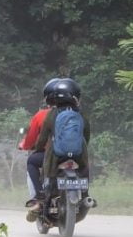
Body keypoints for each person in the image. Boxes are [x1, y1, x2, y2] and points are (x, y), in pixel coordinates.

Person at [33, 78, 91, 212]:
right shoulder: (81, 114)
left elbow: (42, 138)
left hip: (56, 155)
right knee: (84, 169)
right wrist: (82, 147)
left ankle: (44, 200)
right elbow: (86, 134)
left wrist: (37, 149)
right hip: (78, 154)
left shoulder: (52, 114)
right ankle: (86, 194)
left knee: (48, 174)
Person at [20, 78, 58, 211]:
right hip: (75, 155)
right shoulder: (76, 114)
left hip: (50, 155)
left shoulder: (42, 115)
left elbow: (31, 138)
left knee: (31, 161)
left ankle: (38, 196)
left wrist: (26, 146)